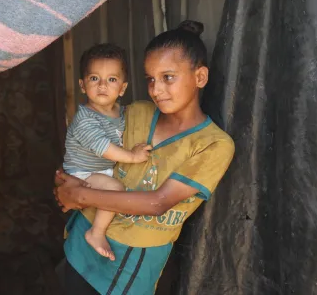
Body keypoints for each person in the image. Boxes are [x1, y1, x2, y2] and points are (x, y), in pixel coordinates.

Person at [54, 20, 235, 295]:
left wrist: (78, 195)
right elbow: (89, 140)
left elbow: (157, 203)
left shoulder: (213, 144)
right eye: (150, 79)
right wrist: (67, 180)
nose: (156, 89)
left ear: (199, 77)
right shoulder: (137, 112)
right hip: (83, 239)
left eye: (168, 77)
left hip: (129, 260)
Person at [62, 43, 152, 261]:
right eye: (94, 78)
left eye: (111, 79)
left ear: (122, 88)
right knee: (115, 189)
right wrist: (132, 156)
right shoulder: (85, 119)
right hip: (81, 174)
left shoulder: (121, 112)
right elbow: (104, 148)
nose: (102, 85)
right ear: (82, 85)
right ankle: (96, 233)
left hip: (101, 170)